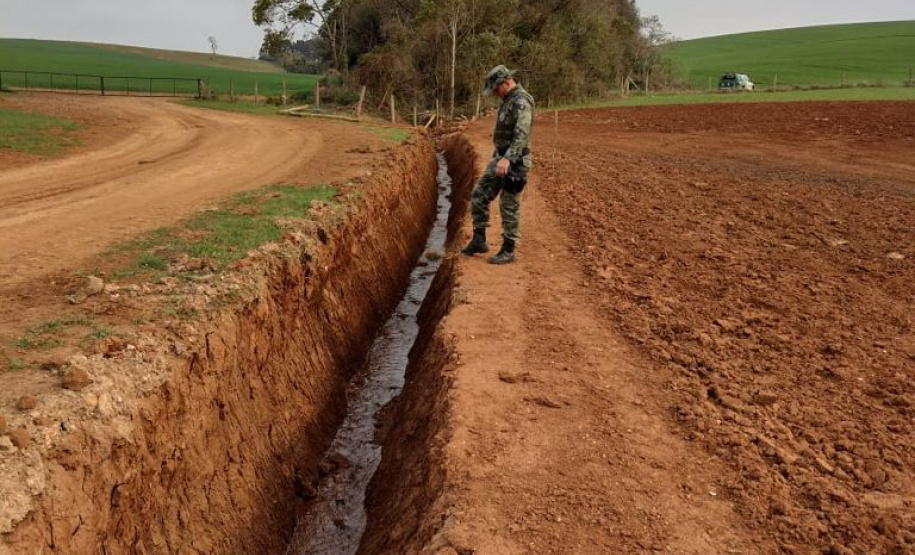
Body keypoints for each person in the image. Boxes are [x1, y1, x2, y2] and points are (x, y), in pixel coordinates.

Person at [461, 65, 534, 265]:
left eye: (495, 89)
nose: (494, 93)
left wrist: (508, 159)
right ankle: (479, 239)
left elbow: (521, 134)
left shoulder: (521, 101)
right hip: (500, 158)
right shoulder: (507, 100)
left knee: (508, 204)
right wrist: (498, 157)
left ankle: (508, 249)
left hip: (515, 161)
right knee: (480, 193)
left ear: (506, 82)